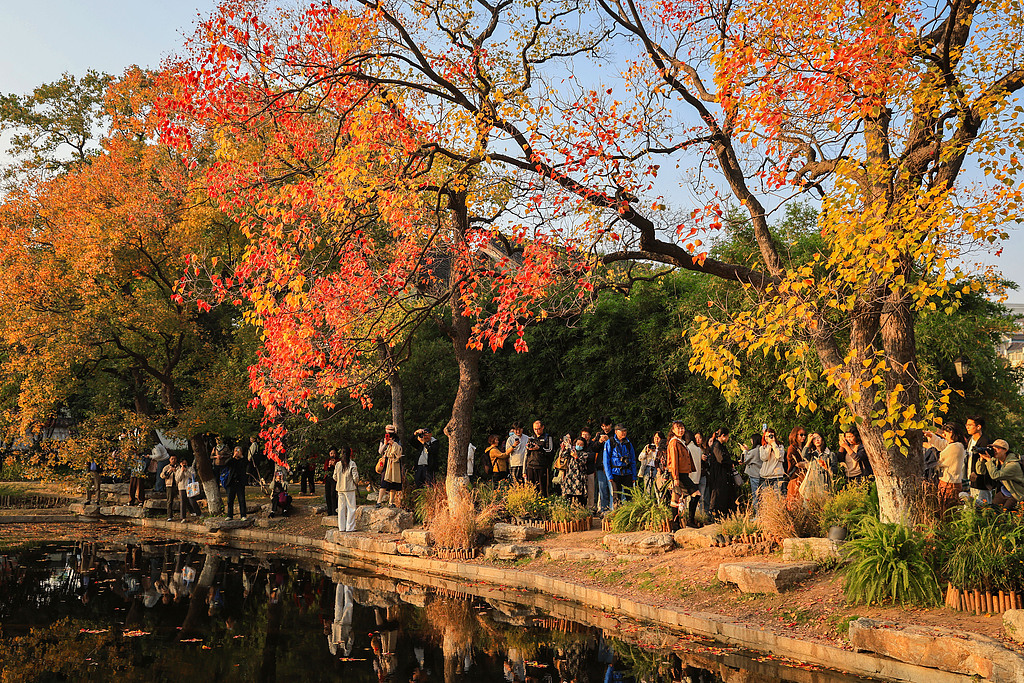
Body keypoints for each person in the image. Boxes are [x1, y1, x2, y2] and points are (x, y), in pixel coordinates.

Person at [925, 422, 967, 516]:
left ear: (951, 432)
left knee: (947, 511)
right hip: (947, 482)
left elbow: (940, 457)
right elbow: (943, 444)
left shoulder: (957, 447)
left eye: (945, 433)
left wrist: (931, 448)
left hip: (950, 484)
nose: (944, 436)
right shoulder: (954, 445)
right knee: (945, 509)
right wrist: (931, 436)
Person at [667, 421, 700, 528]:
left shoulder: (681, 441)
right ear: (673, 430)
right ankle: (690, 521)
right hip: (679, 474)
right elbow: (674, 461)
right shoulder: (674, 442)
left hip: (682, 473)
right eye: (678, 428)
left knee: (675, 498)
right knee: (696, 494)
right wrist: (676, 477)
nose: (681, 430)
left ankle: (675, 525)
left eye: (682, 428)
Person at [981, 439, 1024, 509]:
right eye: (993, 449)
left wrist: (988, 460)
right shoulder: (996, 461)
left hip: (1015, 494)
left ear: (1005, 450)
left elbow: (995, 475)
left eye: (997, 448)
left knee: (1005, 512)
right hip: (1004, 492)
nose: (994, 451)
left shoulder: (1013, 465)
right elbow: (980, 472)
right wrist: (981, 460)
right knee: (992, 511)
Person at [602, 424, 637, 509]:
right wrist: (609, 476)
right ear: (616, 432)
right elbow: (606, 460)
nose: (623, 433)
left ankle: (630, 513)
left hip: (627, 472)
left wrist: (634, 476)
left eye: (625, 431)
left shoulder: (628, 443)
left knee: (630, 496)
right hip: (615, 473)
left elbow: (633, 460)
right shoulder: (610, 442)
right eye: (621, 431)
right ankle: (617, 513)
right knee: (616, 497)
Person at [706, 428, 738, 518]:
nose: (728, 438)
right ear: (723, 436)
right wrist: (731, 463)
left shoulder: (720, 446)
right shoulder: (717, 445)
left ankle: (724, 514)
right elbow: (721, 459)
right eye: (727, 436)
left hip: (722, 473)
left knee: (724, 494)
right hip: (718, 474)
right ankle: (715, 514)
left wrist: (735, 462)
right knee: (718, 494)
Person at [965, 416, 995, 504]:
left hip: (982, 481)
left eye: (970, 425)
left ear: (978, 427)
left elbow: (987, 461)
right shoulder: (970, 440)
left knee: (983, 505)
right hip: (970, 479)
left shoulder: (985, 441)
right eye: (966, 425)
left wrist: (975, 472)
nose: (967, 427)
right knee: (971, 504)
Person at [525, 420, 554, 496]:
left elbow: (550, 450)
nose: (537, 431)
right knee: (531, 489)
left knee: (542, 489)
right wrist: (528, 448)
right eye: (535, 429)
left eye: (538, 429)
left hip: (542, 466)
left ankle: (544, 501)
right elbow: (526, 454)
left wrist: (539, 448)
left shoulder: (547, 437)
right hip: (531, 465)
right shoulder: (531, 438)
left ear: (542, 427)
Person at [334, 446, 360, 531]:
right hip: (349, 488)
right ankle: (350, 527)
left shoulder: (338, 464)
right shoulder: (352, 463)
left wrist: (339, 481)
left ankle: (341, 527)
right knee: (351, 508)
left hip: (340, 488)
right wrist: (355, 483)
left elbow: (334, 477)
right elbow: (355, 477)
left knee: (341, 508)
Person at [560, 436, 588, 507]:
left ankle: (581, 510)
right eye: (578, 444)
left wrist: (576, 457)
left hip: (579, 477)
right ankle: (568, 510)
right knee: (568, 496)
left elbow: (583, 463)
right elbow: (563, 456)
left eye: (581, 444)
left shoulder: (584, 454)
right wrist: (566, 448)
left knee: (580, 497)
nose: (579, 445)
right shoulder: (571, 451)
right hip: (570, 476)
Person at [378, 431, 404, 507]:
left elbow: (399, 451)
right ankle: (379, 501)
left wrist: (394, 444)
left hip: (395, 463)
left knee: (394, 483)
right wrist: (385, 443)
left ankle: (391, 502)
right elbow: (380, 451)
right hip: (386, 462)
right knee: (384, 483)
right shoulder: (383, 440)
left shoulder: (397, 440)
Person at [758, 429, 786, 497]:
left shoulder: (780, 447)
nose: (769, 438)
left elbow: (778, 456)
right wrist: (769, 446)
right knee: (766, 499)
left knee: (778, 499)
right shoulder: (762, 448)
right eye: (767, 436)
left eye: (771, 436)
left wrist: (773, 444)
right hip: (765, 477)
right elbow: (764, 458)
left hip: (777, 477)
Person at [740, 434, 763, 513]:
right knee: (762, 495)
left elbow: (744, 460)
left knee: (756, 496)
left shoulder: (754, 451)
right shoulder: (762, 449)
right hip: (762, 475)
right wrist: (748, 450)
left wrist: (744, 451)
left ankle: (757, 514)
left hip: (754, 475)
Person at [225, 446, 249, 520]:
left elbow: (247, 464)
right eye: (236, 451)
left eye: (238, 451)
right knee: (230, 500)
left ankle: (243, 515)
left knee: (241, 500)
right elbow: (226, 463)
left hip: (240, 482)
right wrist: (233, 457)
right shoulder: (232, 460)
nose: (237, 452)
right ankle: (229, 515)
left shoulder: (243, 460)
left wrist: (241, 457)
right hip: (232, 482)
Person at [785, 426, 809, 504]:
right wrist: (808, 464)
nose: (803, 437)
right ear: (795, 435)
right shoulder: (792, 448)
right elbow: (797, 464)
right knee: (794, 499)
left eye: (805, 435)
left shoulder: (806, 447)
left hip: (806, 476)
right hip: (795, 477)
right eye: (801, 435)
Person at [161, 455, 181, 521]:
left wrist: (175, 471)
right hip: (169, 485)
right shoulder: (166, 467)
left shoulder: (179, 467)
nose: (173, 460)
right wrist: (169, 471)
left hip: (178, 485)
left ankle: (185, 514)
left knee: (183, 499)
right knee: (169, 501)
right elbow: (162, 476)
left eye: (175, 459)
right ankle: (169, 516)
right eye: (172, 459)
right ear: (169, 459)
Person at [324, 448, 339, 516]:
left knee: (333, 494)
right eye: (331, 453)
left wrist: (335, 464)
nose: (333, 455)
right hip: (328, 478)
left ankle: (334, 510)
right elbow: (325, 468)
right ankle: (329, 510)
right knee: (328, 494)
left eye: (334, 453)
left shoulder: (338, 461)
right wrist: (329, 465)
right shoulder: (327, 460)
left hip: (335, 478)